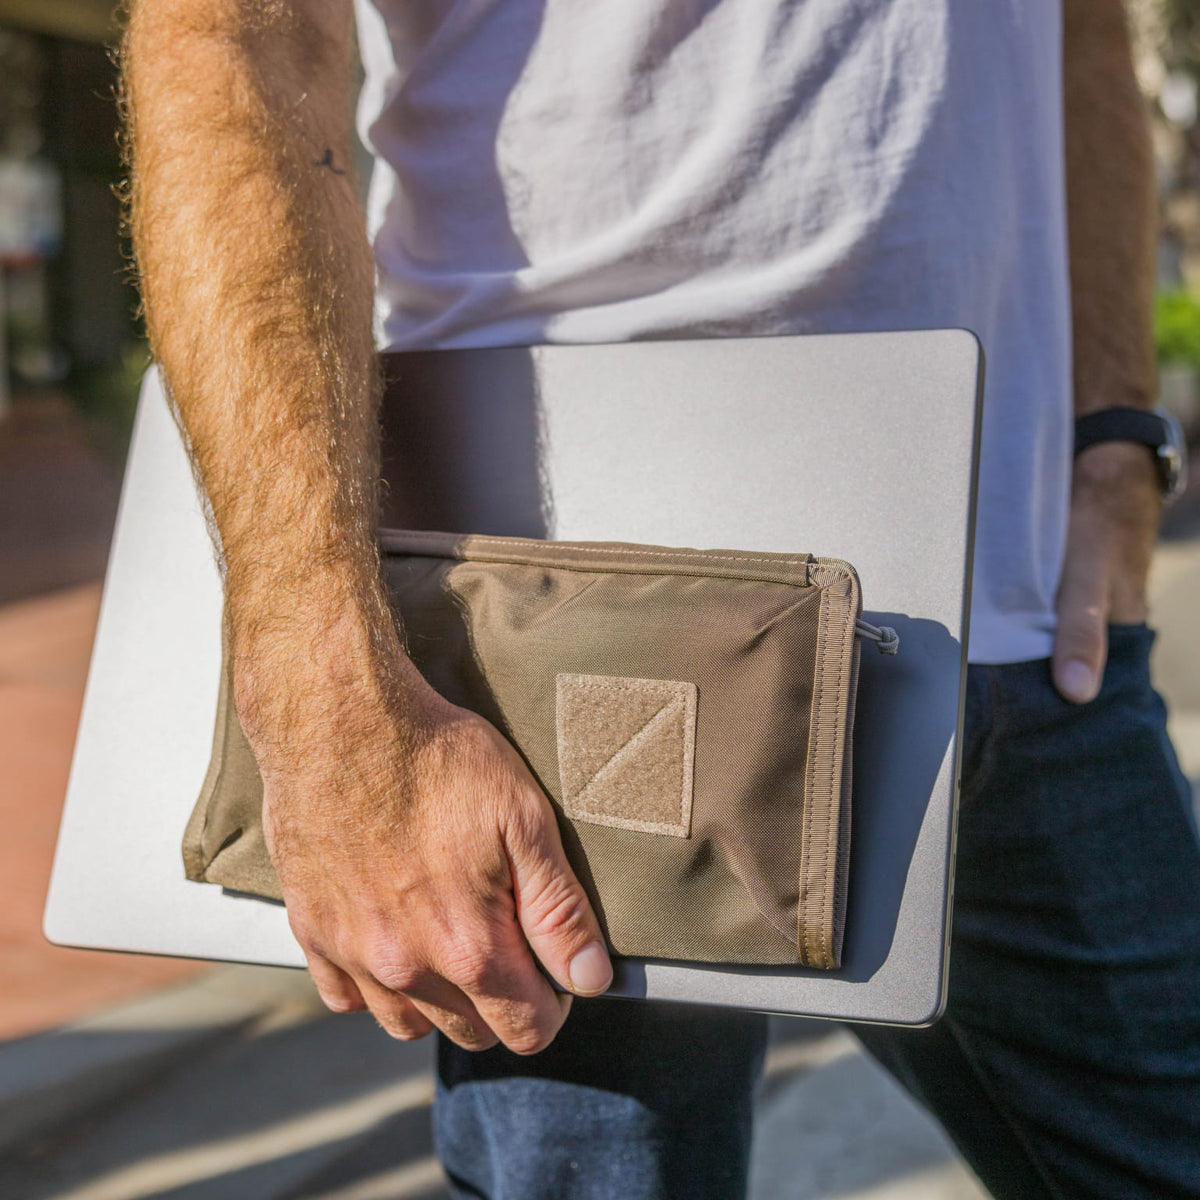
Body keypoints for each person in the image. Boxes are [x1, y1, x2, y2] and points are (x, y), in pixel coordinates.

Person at [124, 1, 1200, 1196]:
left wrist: (1115, 447)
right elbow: (228, 41)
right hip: (571, 619)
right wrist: (327, 696)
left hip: (1017, 609)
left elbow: (1084, 36)